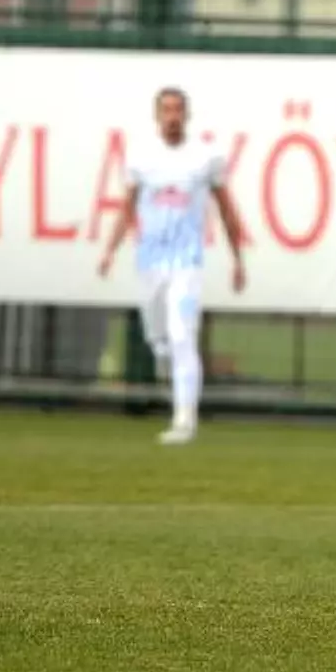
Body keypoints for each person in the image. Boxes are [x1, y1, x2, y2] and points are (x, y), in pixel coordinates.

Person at [98, 87, 246, 445]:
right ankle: (173, 372)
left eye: (178, 109)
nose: (173, 116)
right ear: (157, 115)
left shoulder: (206, 157)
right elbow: (127, 206)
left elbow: (227, 208)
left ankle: (184, 419)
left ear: (187, 115)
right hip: (150, 262)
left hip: (187, 263)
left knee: (183, 335)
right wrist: (110, 250)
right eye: (166, 109)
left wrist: (237, 259)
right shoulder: (141, 157)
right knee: (159, 339)